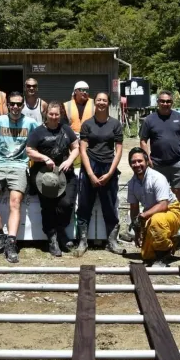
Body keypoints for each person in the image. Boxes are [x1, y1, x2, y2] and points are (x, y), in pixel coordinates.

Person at [0, 91, 39, 263]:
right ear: (6, 104)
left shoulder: (30, 123)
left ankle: (11, 243)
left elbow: (37, 144)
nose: (15, 107)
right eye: (12, 104)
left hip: (19, 166)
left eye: (19, 104)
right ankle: (0, 237)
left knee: (15, 202)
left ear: (23, 105)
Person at [26, 101, 79, 257]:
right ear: (46, 114)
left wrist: (69, 161)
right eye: (51, 114)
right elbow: (29, 150)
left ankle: (61, 229)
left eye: (57, 114)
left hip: (65, 173)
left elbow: (76, 147)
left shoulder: (66, 129)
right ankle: (52, 238)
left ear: (60, 115)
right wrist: (44, 158)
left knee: (67, 203)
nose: (54, 117)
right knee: (48, 207)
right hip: (44, 175)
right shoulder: (38, 132)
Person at [76, 92, 124, 256]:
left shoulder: (116, 124)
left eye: (104, 100)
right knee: (84, 205)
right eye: (98, 100)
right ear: (94, 103)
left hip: (108, 167)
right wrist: (90, 174)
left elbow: (118, 150)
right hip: (90, 166)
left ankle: (112, 241)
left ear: (108, 103)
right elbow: (82, 149)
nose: (101, 103)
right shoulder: (87, 124)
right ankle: (82, 242)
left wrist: (110, 173)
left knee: (110, 205)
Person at [126, 147, 180, 267]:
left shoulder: (157, 178)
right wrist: (137, 230)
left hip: (172, 211)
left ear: (147, 161)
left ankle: (163, 256)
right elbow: (134, 208)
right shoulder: (132, 184)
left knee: (156, 222)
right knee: (146, 255)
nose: (137, 164)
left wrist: (143, 216)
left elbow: (163, 204)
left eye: (140, 161)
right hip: (152, 214)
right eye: (133, 162)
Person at [138, 90, 180, 204]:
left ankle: (178, 218)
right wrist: (147, 159)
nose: (165, 104)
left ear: (172, 103)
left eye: (168, 101)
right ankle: (159, 218)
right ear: (158, 102)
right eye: (162, 101)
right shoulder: (149, 119)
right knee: (157, 192)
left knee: (177, 191)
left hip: (178, 162)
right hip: (157, 163)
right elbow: (143, 141)